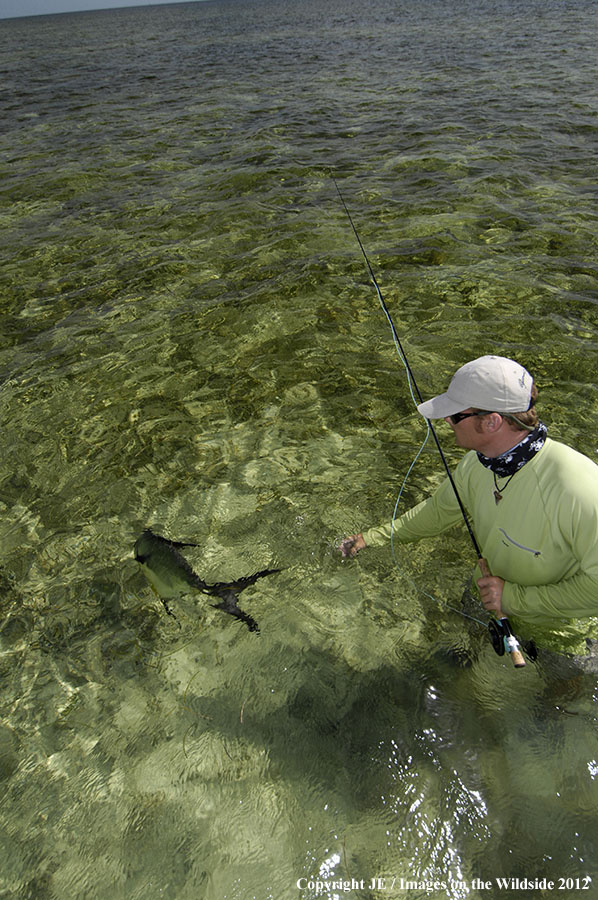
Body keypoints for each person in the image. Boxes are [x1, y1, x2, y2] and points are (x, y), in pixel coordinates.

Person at [340, 355, 598, 653]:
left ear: (492, 421)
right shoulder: (476, 464)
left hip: (563, 636)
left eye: (456, 415)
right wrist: (372, 538)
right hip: (483, 598)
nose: (446, 421)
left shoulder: (581, 489)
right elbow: (438, 513)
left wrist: (513, 599)